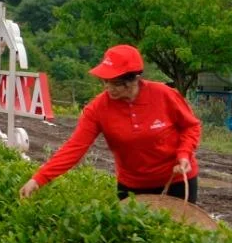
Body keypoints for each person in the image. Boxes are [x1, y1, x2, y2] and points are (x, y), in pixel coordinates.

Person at [19, 44, 201, 201]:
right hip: (132, 187)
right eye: (106, 82)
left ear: (135, 79)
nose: (109, 88)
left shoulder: (164, 95)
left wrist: (184, 154)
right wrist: (39, 179)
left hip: (176, 180)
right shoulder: (98, 108)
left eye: (116, 83)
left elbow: (190, 126)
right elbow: (75, 147)